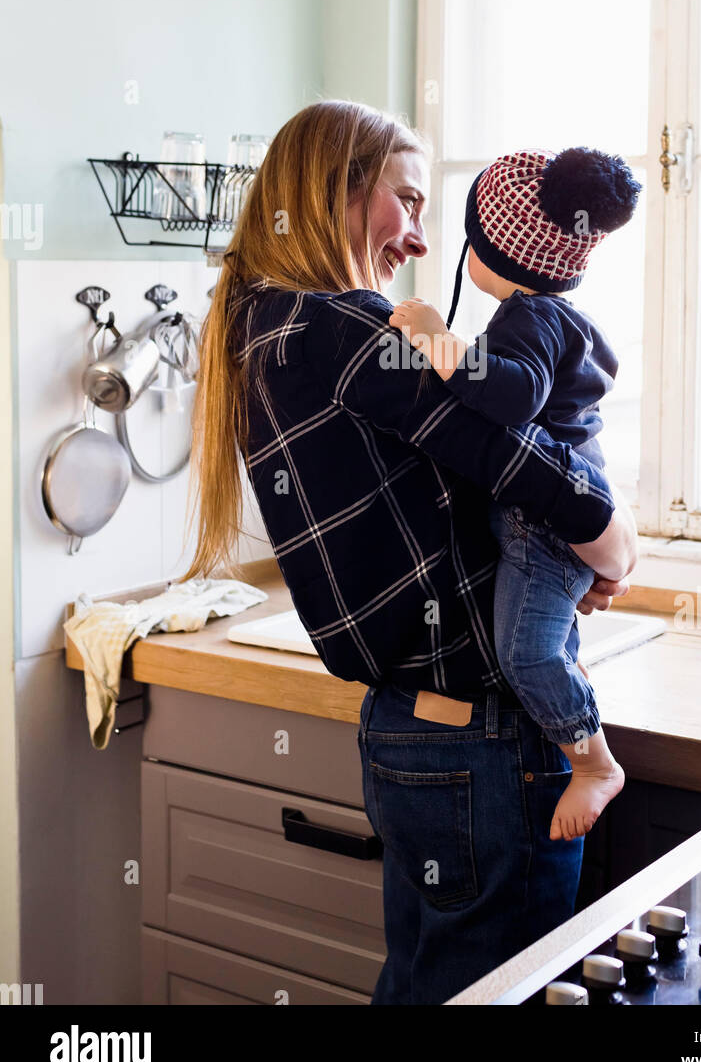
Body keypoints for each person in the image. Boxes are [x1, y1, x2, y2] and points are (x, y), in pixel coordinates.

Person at [180, 101, 638, 1006]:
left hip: (411, 730)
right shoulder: (339, 326)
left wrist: (547, 563)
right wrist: (613, 542)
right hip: (478, 741)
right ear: (341, 189)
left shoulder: (262, 324)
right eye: (409, 200)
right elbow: (517, 458)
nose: (421, 240)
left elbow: (451, 481)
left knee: (430, 987)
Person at [388, 146, 642, 844]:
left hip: (543, 529)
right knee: (550, 644)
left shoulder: (529, 319)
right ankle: (579, 723)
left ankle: (593, 765)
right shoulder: (558, 318)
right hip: (561, 525)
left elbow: (511, 395)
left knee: (527, 656)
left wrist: (437, 340)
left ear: (499, 250)